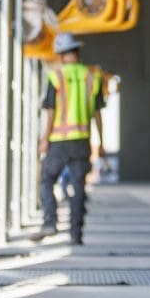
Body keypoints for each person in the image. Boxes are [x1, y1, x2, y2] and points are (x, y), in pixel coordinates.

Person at [39, 32, 105, 244]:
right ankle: (76, 234)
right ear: (77, 52)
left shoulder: (55, 76)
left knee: (47, 180)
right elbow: (97, 114)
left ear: (60, 55)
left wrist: (44, 139)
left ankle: (50, 222)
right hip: (81, 141)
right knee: (78, 187)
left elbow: (50, 111)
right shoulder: (92, 77)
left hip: (59, 140)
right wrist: (101, 143)